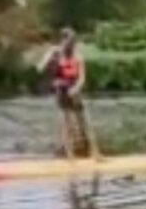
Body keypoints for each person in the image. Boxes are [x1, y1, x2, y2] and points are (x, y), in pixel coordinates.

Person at [37, 28, 100, 159]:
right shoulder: (56, 53)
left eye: (73, 42)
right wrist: (49, 56)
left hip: (74, 90)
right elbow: (40, 68)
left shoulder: (78, 57)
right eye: (69, 41)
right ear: (62, 41)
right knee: (67, 124)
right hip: (62, 91)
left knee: (85, 123)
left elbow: (82, 78)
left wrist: (76, 88)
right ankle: (70, 156)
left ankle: (95, 153)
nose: (71, 45)